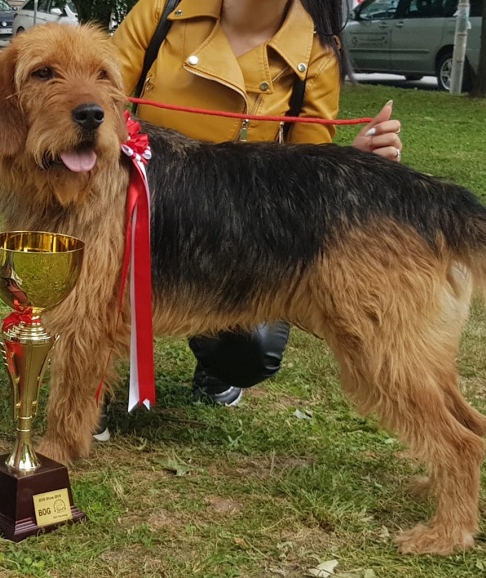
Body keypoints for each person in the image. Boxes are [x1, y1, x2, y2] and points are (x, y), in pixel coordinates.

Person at [105, 0, 403, 428]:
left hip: (231, 237)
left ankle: (216, 365)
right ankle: (90, 379)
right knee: (88, 288)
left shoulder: (316, 53)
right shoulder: (159, 12)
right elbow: (97, 97)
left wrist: (353, 162)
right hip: (137, 214)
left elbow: (305, 172)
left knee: (252, 349)